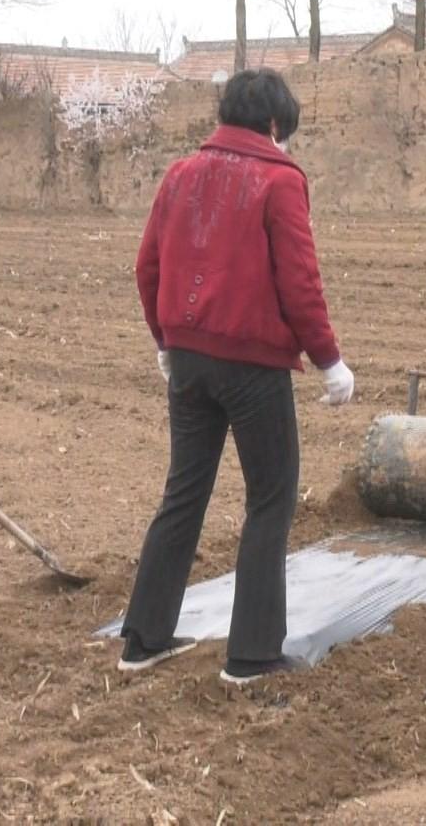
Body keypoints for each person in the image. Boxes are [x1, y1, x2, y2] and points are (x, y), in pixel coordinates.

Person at [120, 69, 354, 686]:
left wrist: (166, 340)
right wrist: (330, 361)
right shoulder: (279, 180)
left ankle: (143, 638)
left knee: (184, 493)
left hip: (190, 360)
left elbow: (147, 267)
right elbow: (299, 283)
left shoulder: (179, 175)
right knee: (270, 500)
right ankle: (251, 655)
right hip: (253, 367)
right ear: (275, 126)